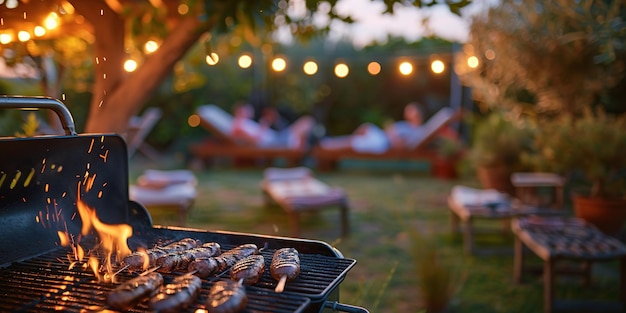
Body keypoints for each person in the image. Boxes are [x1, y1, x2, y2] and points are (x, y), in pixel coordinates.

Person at [319, 102, 427, 154]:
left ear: (418, 113)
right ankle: (329, 143)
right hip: (382, 137)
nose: (407, 113)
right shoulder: (406, 124)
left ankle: (327, 146)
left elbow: (402, 145)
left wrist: (393, 134)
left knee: (354, 141)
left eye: (411, 110)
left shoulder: (417, 131)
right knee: (363, 129)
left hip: (383, 143)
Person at [230, 103, 314, 149]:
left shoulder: (245, 122)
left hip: (276, 138)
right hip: (274, 142)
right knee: (307, 121)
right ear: (239, 111)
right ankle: (306, 154)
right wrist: (264, 126)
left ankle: (306, 152)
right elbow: (254, 140)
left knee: (307, 122)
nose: (249, 110)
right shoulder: (238, 126)